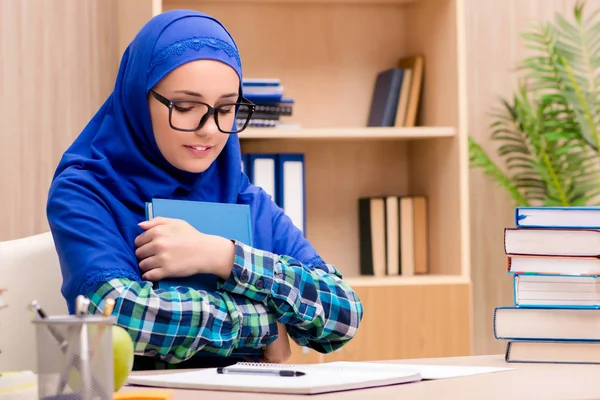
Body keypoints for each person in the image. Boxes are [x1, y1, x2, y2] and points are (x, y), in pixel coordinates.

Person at [46, 9, 363, 370]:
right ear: (137, 98)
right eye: (185, 107)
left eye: (226, 108)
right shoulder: (85, 191)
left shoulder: (243, 195)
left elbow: (344, 314)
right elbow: (120, 317)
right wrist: (264, 326)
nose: (209, 130)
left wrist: (224, 258)